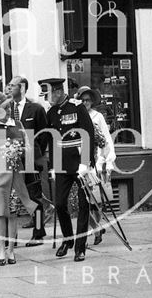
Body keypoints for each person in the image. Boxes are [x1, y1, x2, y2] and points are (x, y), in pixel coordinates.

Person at [38, 78, 95, 262]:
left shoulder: (77, 107)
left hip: (79, 163)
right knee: (60, 204)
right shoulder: (52, 112)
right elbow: (51, 140)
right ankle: (68, 239)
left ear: (57, 91)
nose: (46, 99)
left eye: (47, 95)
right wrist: (52, 166)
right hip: (61, 164)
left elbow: (88, 135)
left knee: (83, 205)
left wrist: (85, 163)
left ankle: (80, 248)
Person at [0, 91, 38, 266]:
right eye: (5, 107)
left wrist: (20, 150)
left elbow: (29, 148)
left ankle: (11, 250)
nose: (9, 108)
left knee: (12, 214)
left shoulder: (18, 124)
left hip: (14, 175)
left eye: (9, 105)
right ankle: (2, 249)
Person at [6, 76, 54, 247]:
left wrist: (34, 154)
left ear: (23, 88)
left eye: (13, 86)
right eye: (9, 85)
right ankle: (11, 237)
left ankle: (39, 233)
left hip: (30, 161)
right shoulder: (6, 109)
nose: (9, 88)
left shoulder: (35, 109)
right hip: (10, 161)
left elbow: (44, 134)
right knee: (9, 197)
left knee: (34, 197)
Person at [76, 86, 116, 245]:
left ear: (92, 101)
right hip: (79, 162)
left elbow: (105, 139)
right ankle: (93, 230)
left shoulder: (97, 117)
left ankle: (95, 228)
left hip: (95, 162)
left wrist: (108, 160)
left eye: (87, 100)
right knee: (83, 203)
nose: (85, 103)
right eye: (82, 100)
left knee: (96, 203)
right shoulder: (76, 116)